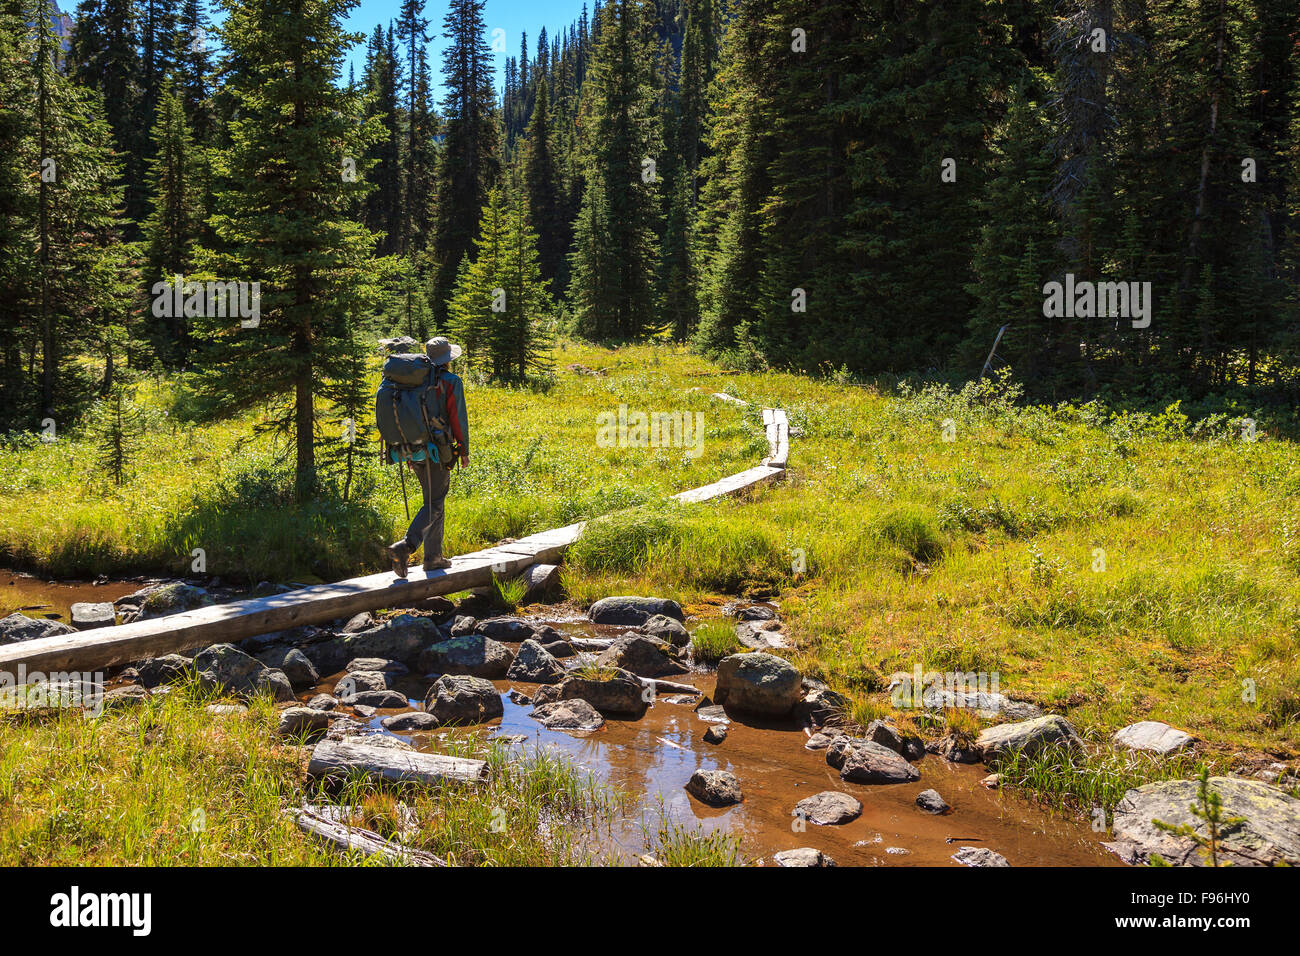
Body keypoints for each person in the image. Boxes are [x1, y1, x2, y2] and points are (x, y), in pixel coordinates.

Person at [388, 337, 469, 577]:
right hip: (438, 450)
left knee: (434, 500)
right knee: (435, 502)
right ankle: (406, 546)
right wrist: (463, 450)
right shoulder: (451, 381)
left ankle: (433, 558)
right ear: (448, 360)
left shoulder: (413, 383)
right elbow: (457, 418)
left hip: (413, 449)